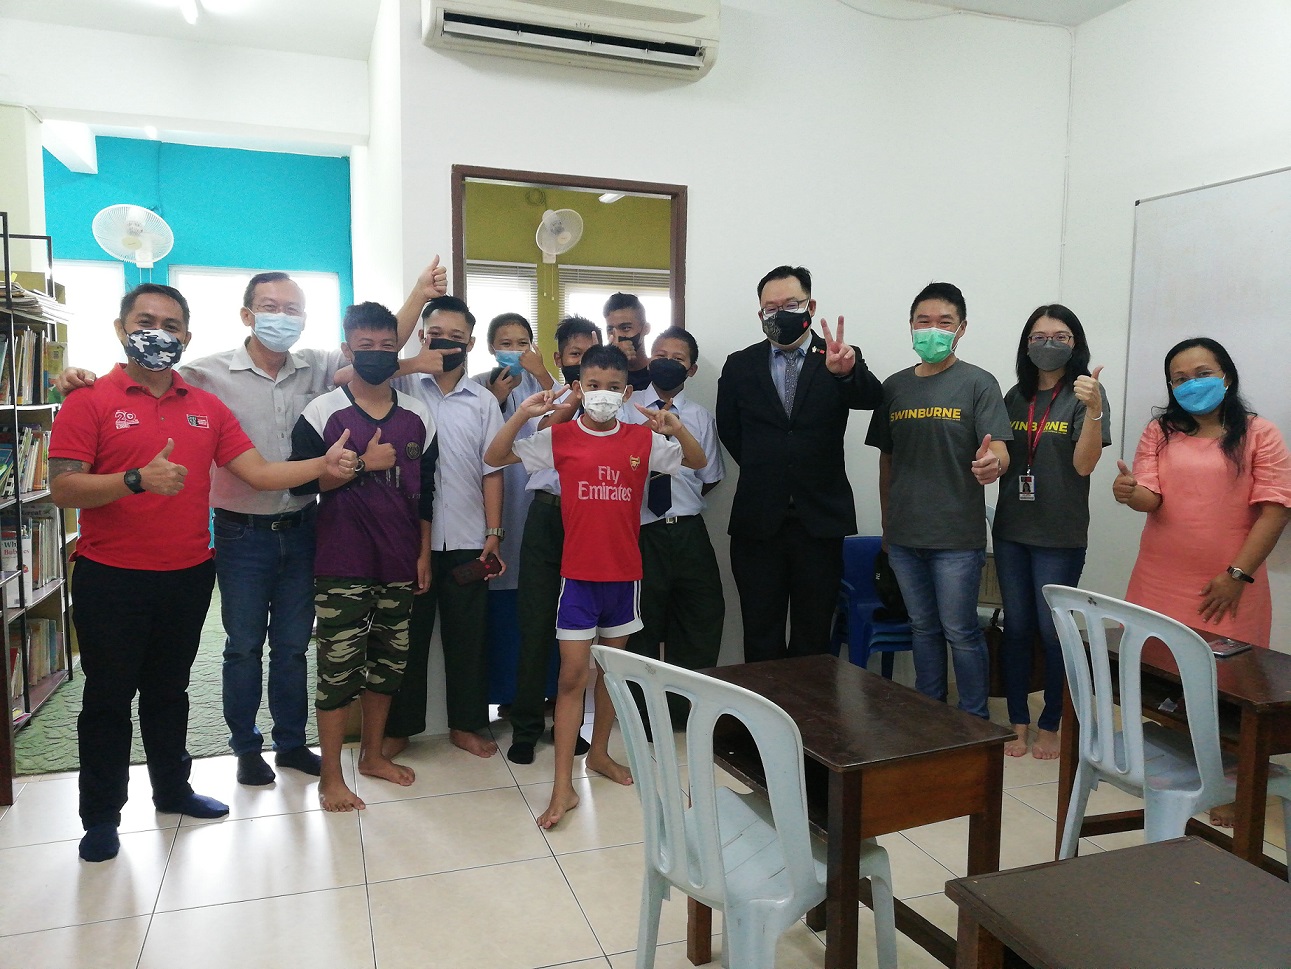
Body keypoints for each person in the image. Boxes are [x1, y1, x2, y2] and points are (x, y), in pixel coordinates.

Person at [54, 261, 448, 787]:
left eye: (292, 310)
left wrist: (418, 295)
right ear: (246, 313)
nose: (280, 318)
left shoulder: (317, 367)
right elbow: (143, 376)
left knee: (291, 646)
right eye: (269, 307)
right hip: (239, 532)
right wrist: (76, 377)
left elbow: (376, 350)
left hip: (304, 525)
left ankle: (291, 744)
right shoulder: (205, 375)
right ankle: (246, 748)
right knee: (241, 646)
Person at [48, 283, 359, 861]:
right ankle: (101, 817)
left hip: (188, 571)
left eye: (171, 325)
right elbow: (63, 487)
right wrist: (135, 480)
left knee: (169, 692)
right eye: (146, 321)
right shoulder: (88, 400)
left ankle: (173, 791)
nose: (158, 334)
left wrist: (325, 463)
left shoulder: (206, 407)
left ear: (186, 337)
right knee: (109, 699)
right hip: (111, 575)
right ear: (121, 328)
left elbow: (261, 472)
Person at [485, 344, 706, 828]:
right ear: (579, 388)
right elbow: (495, 455)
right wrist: (525, 412)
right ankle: (562, 788)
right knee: (571, 679)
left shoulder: (640, 439)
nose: (602, 395)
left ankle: (600, 755)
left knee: (611, 675)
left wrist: (676, 427)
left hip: (625, 580)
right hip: (577, 581)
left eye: (612, 387)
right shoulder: (560, 437)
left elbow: (696, 460)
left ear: (627, 392)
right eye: (592, 385)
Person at [289, 301, 438, 812]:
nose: (377, 354)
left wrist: (423, 554)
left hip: (400, 562)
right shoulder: (322, 412)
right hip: (341, 564)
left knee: (388, 669)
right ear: (348, 346)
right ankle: (331, 776)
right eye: (366, 346)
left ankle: (372, 756)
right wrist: (359, 466)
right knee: (337, 672)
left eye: (386, 346)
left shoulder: (419, 415)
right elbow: (299, 484)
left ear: (398, 350)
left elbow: (426, 492)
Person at [715, 265, 883, 662]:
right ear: (760, 315)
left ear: (811, 306)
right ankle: (761, 725)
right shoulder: (740, 365)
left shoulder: (836, 357)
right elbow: (731, 431)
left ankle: (807, 724)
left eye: (791, 304)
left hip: (820, 521)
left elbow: (872, 398)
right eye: (771, 308)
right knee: (761, 634)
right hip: (758, 522)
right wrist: (772, 467)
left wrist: (847, 374)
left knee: (812, 635)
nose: (781, 313)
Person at [865, 282, 1012, 720]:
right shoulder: (893, 387)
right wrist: (888, 530)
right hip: (906, 537)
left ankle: (972, 719)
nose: (933, 330)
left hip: (956, 538)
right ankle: (931, 715)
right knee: (922, 628)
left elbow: (999, 448)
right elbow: (886, 465)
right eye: (923, 322)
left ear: (961, 329)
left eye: (944, 322)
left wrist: (994, 464)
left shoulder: (978, 383)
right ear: (910, 327)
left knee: (961, 631)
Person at [381, 296, 506, 758]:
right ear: (422, 335)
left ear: (471, 344)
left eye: (457, 337)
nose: (447, 344)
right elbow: (361, 373)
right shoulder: (403, 386)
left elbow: (493, 469)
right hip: (408, 539)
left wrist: (495, 534)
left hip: (470, 539)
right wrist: (409, 359)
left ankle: (468, 724)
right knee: (406, 639)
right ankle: (400, 727)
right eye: (438, 334)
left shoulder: (481, 401)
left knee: (469, 639)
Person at [1116, 337, 1291, 647]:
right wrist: (1130, 493)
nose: (1191, 385)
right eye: (1180, 380)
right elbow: (1151, 498)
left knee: (1225, 684)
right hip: (1157, 583)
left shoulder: (1261, 433)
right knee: (1153, 676)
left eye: (1202, 373)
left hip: (1229, 587)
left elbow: (1277, 511)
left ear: (1227, 377)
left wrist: (1237, 576)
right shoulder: (1160, 430)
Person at [993, 305, 1111, 759]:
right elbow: (1002, 454)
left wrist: (1096, 410)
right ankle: (1018, 720)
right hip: (1011, 529)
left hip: (1060, 535)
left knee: (1051, 630)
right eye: (1038, 336)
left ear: (1075, 343)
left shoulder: (1087, 395)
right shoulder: (1013, 396)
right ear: (1026, 345)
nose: (1048, 344)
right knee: (1017, 627)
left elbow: (1084, 465)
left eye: (1060, 336)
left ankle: (1052, 721)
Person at [504, 316, 601, 765]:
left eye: (591, 352)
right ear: (559, 359)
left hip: (592, 523)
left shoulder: (613, 401)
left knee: (581, 632)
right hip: (547, 519)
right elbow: (533, 446)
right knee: (536, 623)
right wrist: (568, 404)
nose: (584, 363)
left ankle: (570, 725)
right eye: (576, 355)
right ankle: (525, 727)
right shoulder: (540, 397)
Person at [623, 327, 726, 720]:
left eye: (678, 358)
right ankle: (644, 717)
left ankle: (688, 715)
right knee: (641, 625)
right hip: (641, 533)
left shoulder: (699, 417)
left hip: (687, 531)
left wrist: (679, 508)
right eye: (660, 353)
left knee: (700, 617)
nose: (667, 362)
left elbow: (710, 475)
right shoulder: (625, 408)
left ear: (692, 369)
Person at [473, 313, 553, 714]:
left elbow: (568, 418)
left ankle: (542, 697)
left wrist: (543, 373)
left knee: (540, 607)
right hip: (494, 510)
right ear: (490, 346)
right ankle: (504, 699)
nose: (516, 350)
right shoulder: (476, 388)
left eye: (523, 342)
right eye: (507, 342)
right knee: (501, 612)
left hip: (537, 512)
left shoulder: (543, 387)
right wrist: (498, 398)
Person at [603, 292, 654, 392]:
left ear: (646, 329)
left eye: (625, 328)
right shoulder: (601, 372)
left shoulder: (657, 372)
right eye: (610, 330)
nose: (617, 335)